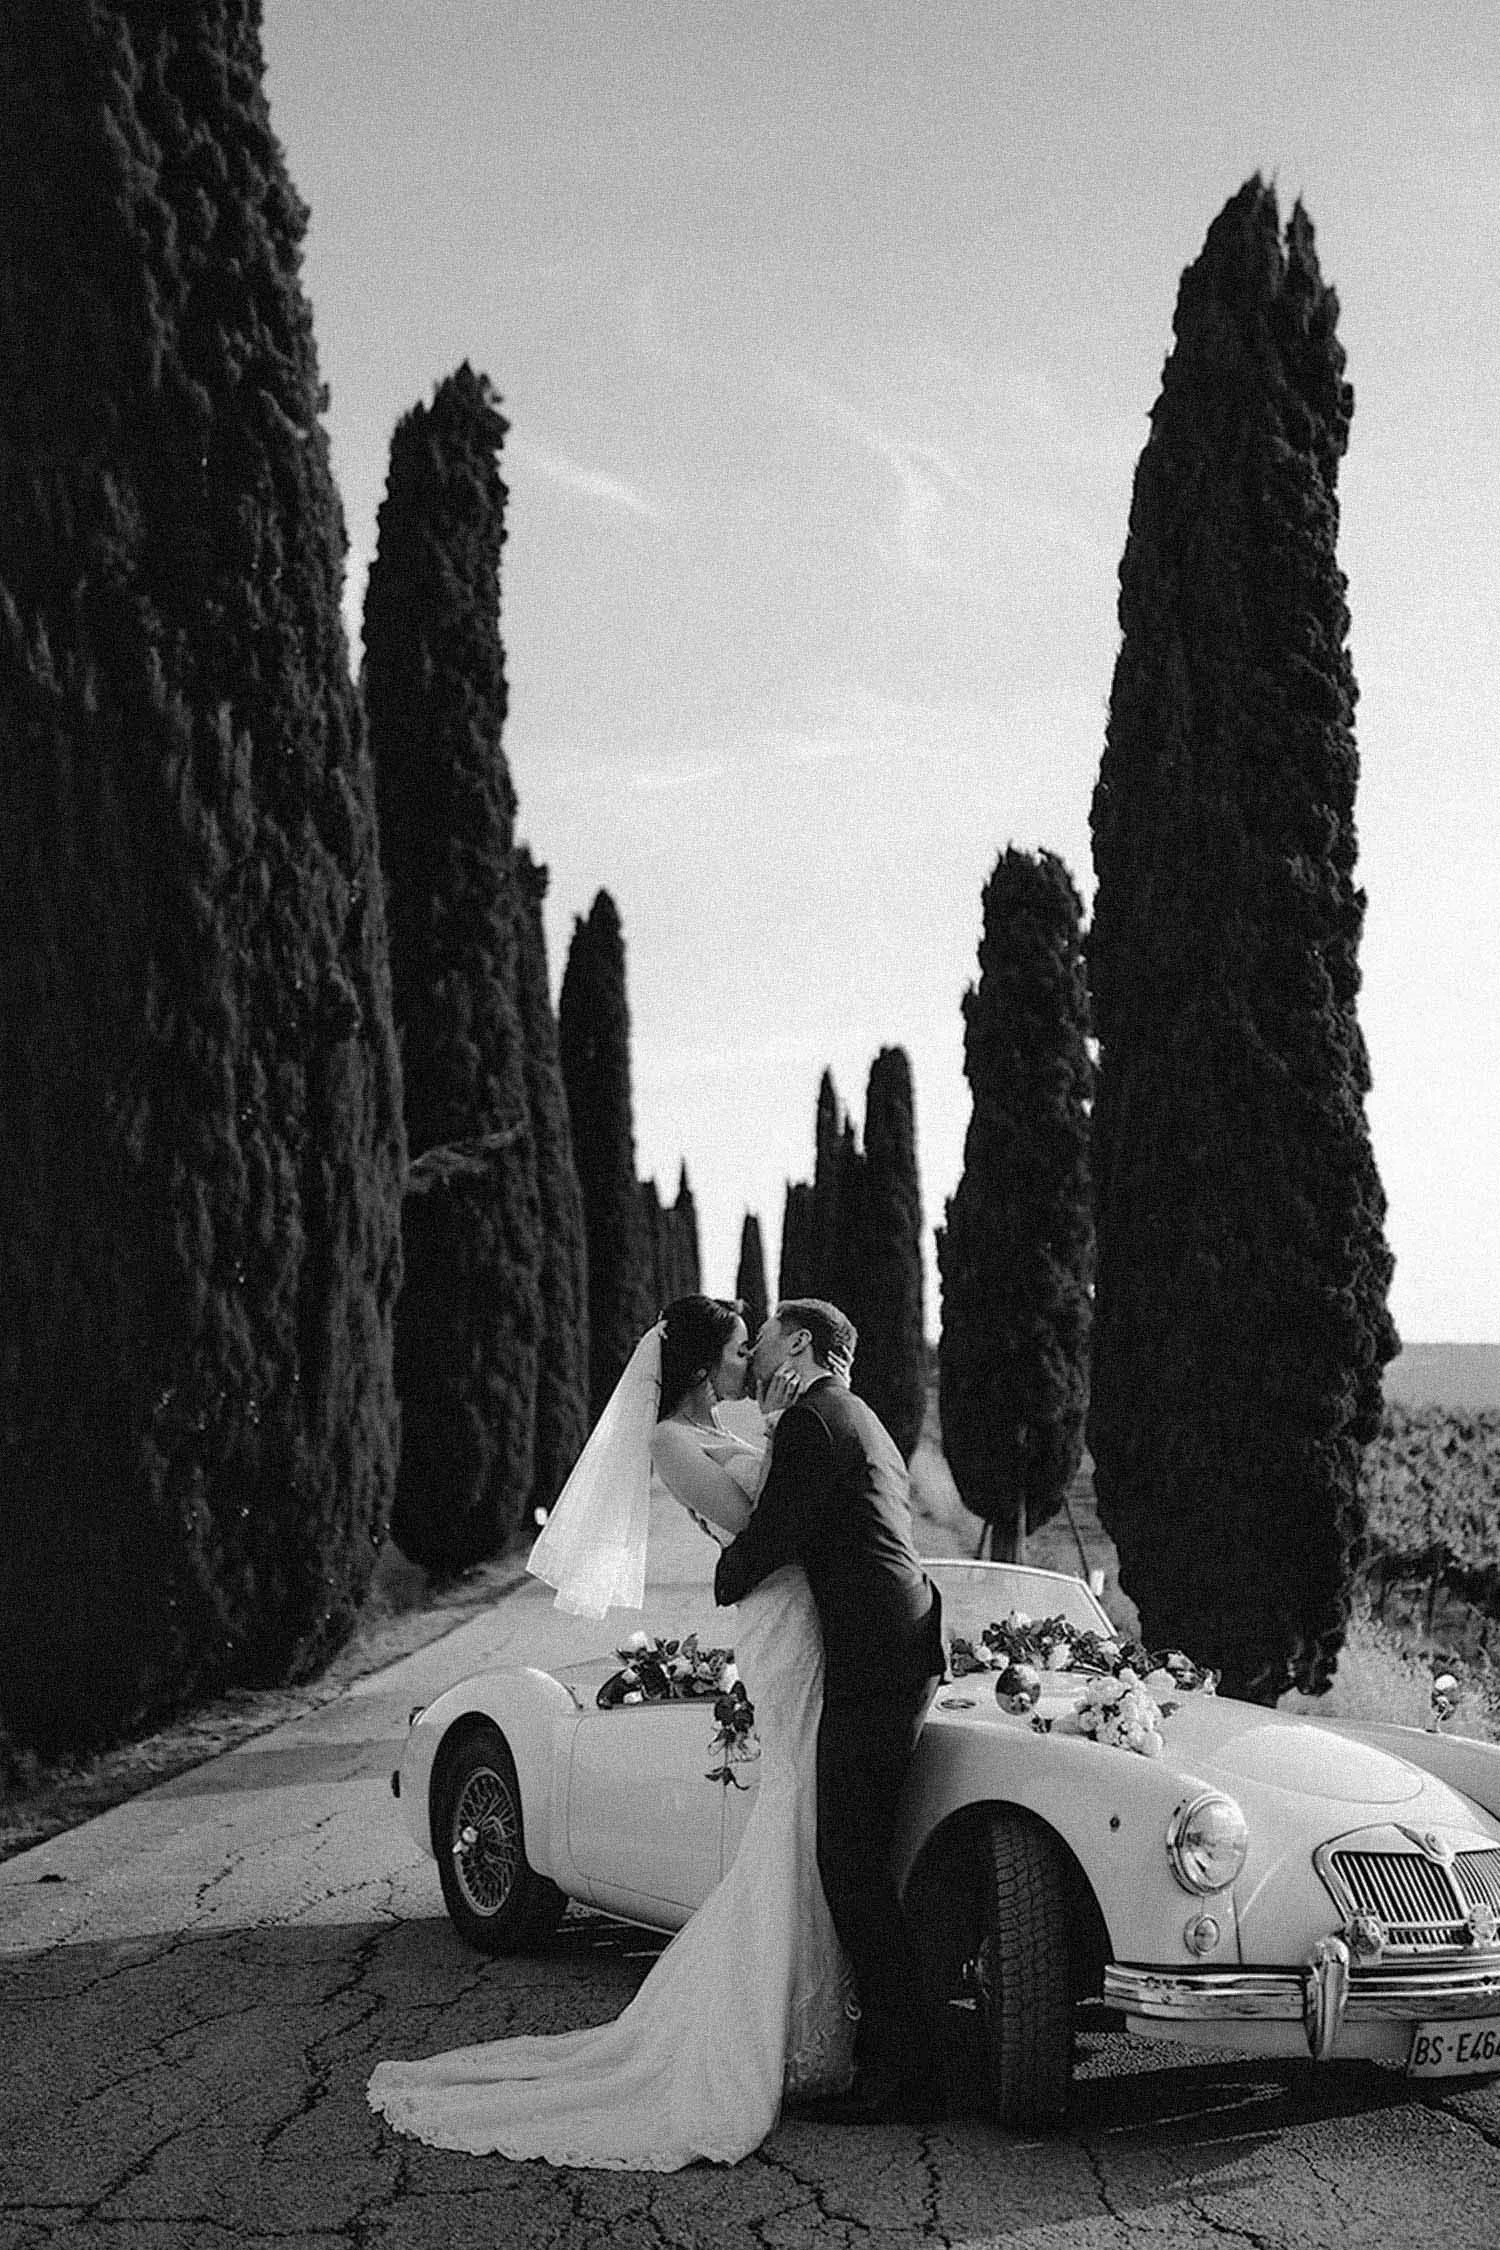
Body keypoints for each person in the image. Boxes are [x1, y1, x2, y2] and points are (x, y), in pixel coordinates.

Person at [366, 1295, 857, 2170]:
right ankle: (789, 2030)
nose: (756, 1362)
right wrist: (791, 1430)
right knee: (793, 1799)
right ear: (709, 1367)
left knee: (803, 1806)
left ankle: (811, 2016)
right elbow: (757, 1529)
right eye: (745, 1349)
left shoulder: (739, 1421)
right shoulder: (672, 1440)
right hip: (780, 1620)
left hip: (807, 1614)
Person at [714, 1298, 946, 2124]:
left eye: (768, 1335)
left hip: (877, 1662)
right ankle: (907, 2051)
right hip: (892, 1649)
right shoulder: (856, 1414)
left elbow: (773, 1534)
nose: (758, 1350)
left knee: (850, 1866)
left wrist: (724, 1572)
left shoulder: (815, 1422)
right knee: (854, 1859)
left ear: (801, 1342)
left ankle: (903, 2071)